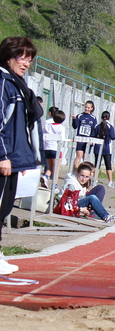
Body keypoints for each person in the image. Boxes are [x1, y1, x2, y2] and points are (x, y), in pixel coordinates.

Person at [0, 36, 44, 275]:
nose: (26, 63)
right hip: (4, 158)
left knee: (5, 208)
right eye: (21, 57)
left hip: (14, 157)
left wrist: (22, 156)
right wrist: (3, 156)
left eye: (30, 59)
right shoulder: (3, 82)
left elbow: (22, 124)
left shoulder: (18, 84)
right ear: (8, 56)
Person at [42, 106, 66, 192]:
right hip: (56, 149)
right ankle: (55, 185)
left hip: (47, 148)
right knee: (56, 168)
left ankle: (45, 177)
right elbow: (62, 139)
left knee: (50, 167)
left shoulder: (48, 126)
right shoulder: (61, 127)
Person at [92, 110, 115, 187]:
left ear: (101, 117)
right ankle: (110, 181)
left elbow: (93, 135)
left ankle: (95, 180)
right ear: (109, 117)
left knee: (97, 164)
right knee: (108, 165)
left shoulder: (97, 126)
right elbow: (113, 137)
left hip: (97, 148)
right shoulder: (110, 126)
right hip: (106, 148)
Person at [71, 101, 96, 173]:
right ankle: (74, 172)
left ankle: (85, 173)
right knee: (79, 156)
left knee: (86, 158)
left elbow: (94, 129)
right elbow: (75, 126)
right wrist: (74, 119)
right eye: (86, 107)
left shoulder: (93, 118)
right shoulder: (80, 116)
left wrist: (92, 140)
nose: (87, 109)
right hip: (80, 138)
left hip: (88, 140)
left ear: (91, 108)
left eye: (88, 108)